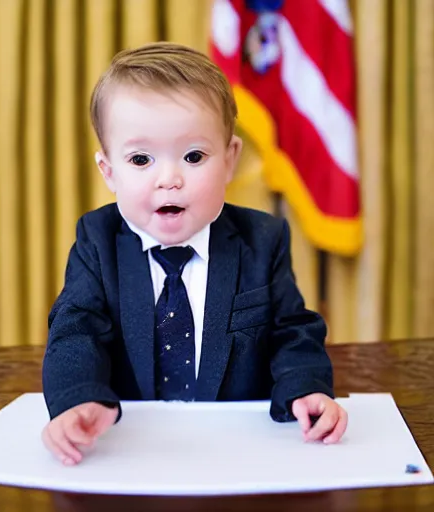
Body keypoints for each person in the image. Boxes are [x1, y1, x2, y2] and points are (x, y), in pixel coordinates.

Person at [41, 42, 348, 466]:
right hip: (131, 451)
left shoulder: (262, 238)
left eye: (193, 156)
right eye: (141, 158)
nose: (169, 178)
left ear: (229, 160)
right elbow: (77, 332)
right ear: (109, 171)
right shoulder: (97, 239)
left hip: (239, 453)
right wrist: (76, 399)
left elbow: (290, 331)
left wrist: (307, 387)